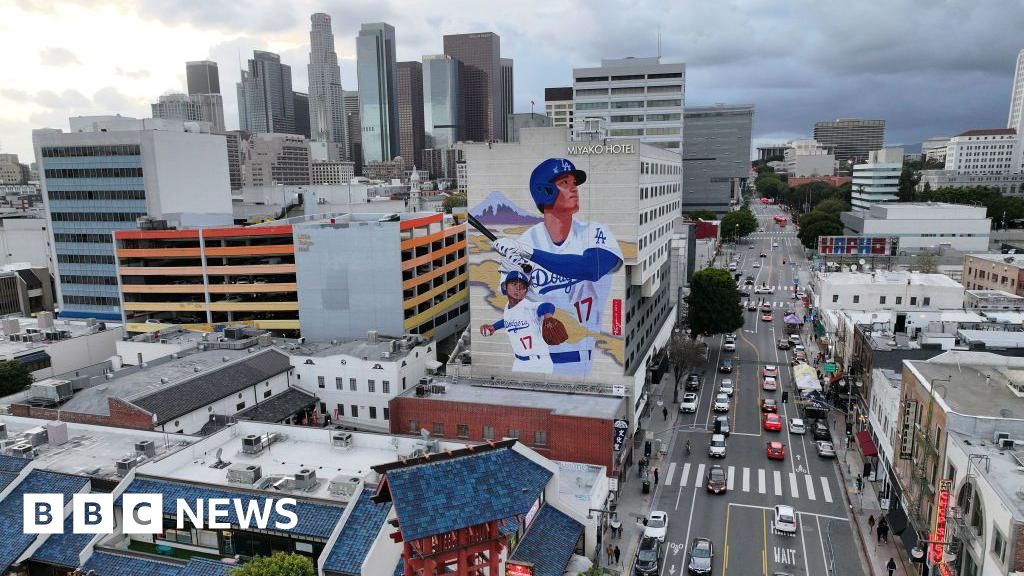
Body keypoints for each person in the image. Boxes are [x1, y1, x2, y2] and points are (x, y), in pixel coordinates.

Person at [493, 158, 624, 376]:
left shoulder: (595, 232)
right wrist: (512, 269)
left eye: (574, 182)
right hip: (535, 362)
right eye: (565, 182)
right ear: (544, 191)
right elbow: (513, 301)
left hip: (584, 360)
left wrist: (529, 254)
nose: (574, 188)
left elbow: (591, 268)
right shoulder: (524, 241)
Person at [479, 269, 556, 373]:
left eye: (523, 286)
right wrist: (494, 327)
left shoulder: (529, 307)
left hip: (539, 363)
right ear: (505, 287)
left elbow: (547, 306)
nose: (518, 288)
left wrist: (548, 316)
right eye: (514, 284)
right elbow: (508, 320)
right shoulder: (508, 307)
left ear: (526, 291)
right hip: (519, 362)